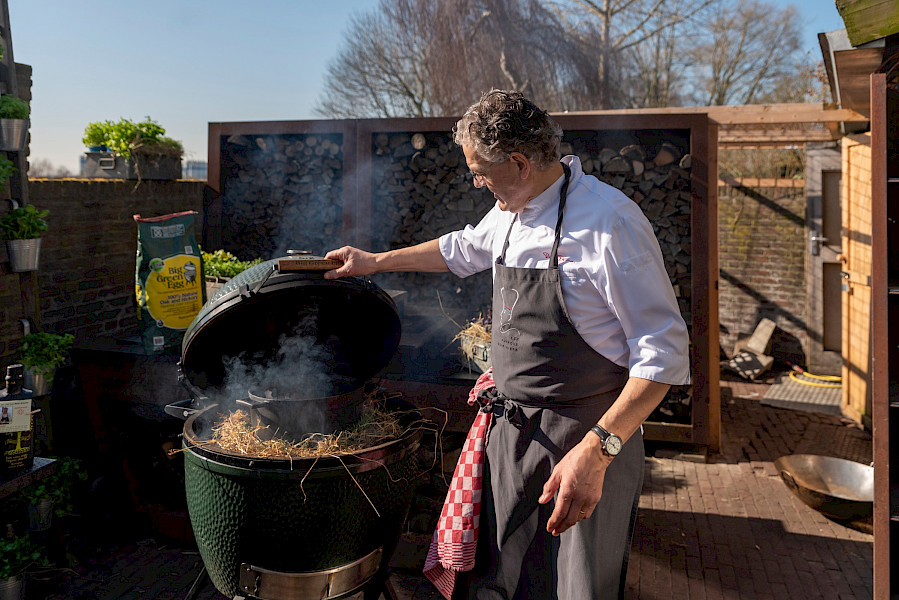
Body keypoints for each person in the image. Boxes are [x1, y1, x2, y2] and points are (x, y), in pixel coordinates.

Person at [325, 89, 690, 600]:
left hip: (583, 440)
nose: (475, 181)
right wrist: (374, 262)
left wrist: (599, 450)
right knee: (502, 579)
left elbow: (665, 355)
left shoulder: (610, 222)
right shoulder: (513, 210)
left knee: (574, 586)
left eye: (479, 170)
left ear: (518, 162)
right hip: (511, 434)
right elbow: (462, 248)